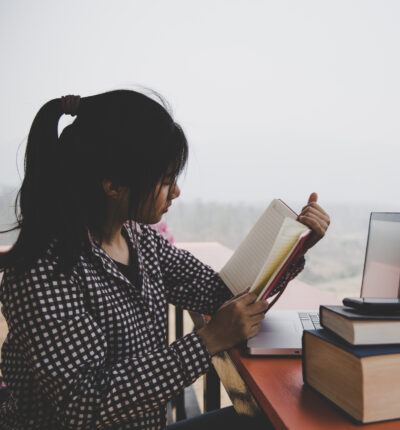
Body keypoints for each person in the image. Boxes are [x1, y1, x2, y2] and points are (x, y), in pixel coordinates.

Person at [0, 90, 330, 429]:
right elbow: (84, 403)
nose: (175, 192)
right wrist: (207, 342)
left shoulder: (140, 242)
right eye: (165, 180)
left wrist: (295, 248)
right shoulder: (44, 271)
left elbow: (220, 295)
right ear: (113, 185)